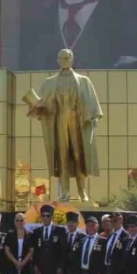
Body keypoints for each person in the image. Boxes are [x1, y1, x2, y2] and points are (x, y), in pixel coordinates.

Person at [24, 50, 104, 202]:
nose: (64, 61)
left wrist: (94, 118)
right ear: (57, 60)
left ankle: (82, 192)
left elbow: (92, 103)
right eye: (61, 58)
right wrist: (35, 104)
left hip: (78, 121)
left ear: (72, 59)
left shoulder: (84, 81)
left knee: (80, 157)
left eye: (66, 58)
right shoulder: (49, 82)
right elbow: (41, 104)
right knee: (62, 158)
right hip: (59, 120)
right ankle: (65, 193)